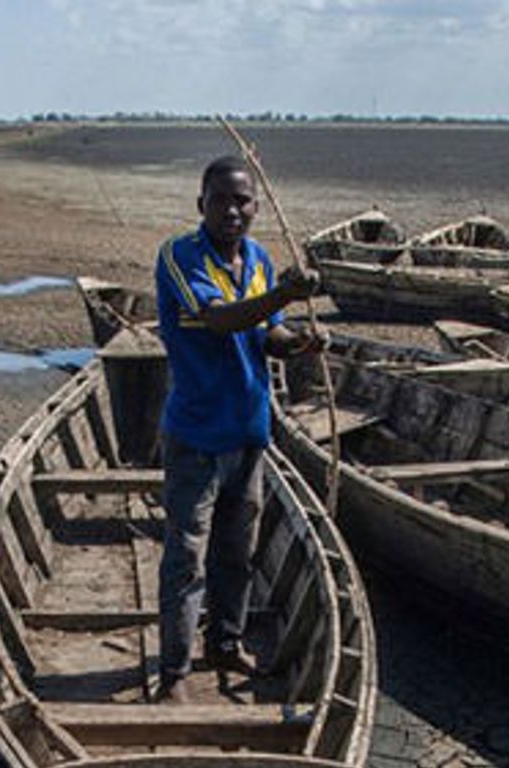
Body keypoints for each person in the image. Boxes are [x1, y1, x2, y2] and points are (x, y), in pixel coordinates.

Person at [153, 154, 323, 705]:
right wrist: (284, 296)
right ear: (200, 204)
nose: (233, 210)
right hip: (197, 438)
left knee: (236, 553)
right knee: (186, 556)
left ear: (255, 207)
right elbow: (222, 318)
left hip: (249, 435)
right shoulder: (180, 256)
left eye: (243, 200)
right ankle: (175, 672)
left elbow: (265, 333)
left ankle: (225, 643)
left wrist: (297, 342)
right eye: (222, 199)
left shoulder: (258, 258)